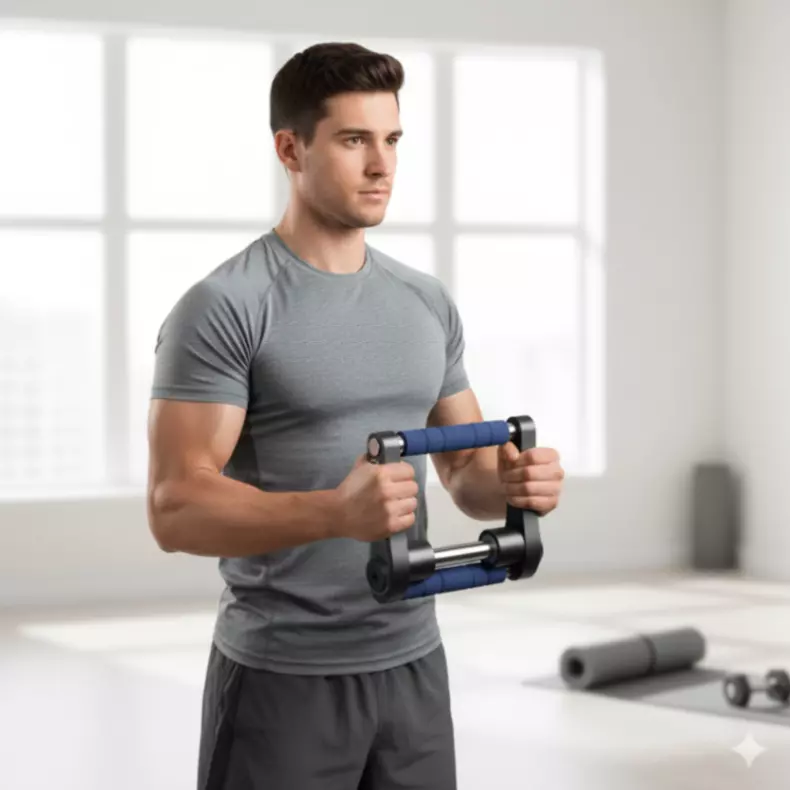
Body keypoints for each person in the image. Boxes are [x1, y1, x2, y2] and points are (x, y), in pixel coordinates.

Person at [145, 41, 565, 790]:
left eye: (393, 140)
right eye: (354, 140)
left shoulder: (424, 302)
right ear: (290, 149)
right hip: (284, 675)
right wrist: (334, 514)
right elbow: (175, 507)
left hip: (414, 666)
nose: (383, 165)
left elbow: (465, 473)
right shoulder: (225, 307)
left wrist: (514, 483)